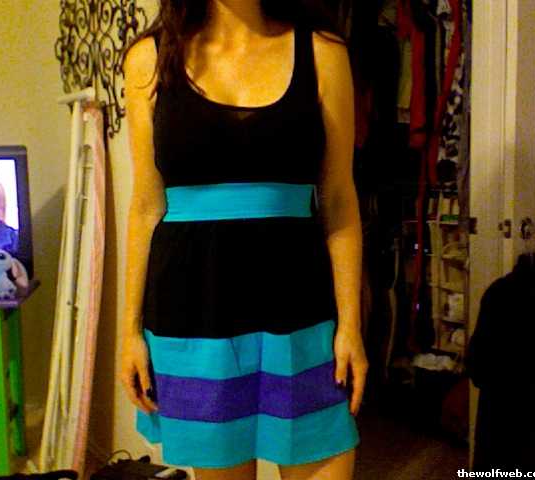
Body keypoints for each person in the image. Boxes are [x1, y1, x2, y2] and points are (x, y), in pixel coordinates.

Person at [119, 1, 368, 479]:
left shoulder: (322, 52)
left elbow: (339, 200)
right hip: (196, 312)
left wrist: (351, 326)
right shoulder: (149, 59)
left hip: (301, 310)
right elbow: (146, 206)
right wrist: (129, 332)